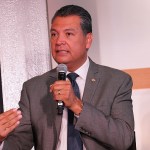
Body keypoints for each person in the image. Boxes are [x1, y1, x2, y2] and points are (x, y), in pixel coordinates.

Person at [0, 5, 134, 150]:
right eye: (54, 34)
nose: (59, 41)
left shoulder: (117, 81)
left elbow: (123, 139)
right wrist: (1, 139)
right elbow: (19, 143)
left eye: (68, 34)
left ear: (88, 40)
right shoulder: (33, 88)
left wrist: (76, 105)